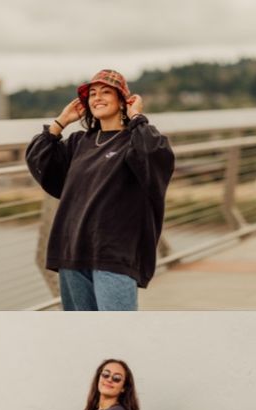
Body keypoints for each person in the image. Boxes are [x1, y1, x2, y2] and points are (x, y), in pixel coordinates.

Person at [26, 70, 174, 311]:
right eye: (92, 94)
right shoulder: (78, 142)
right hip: (72, 250)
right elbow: (40, 160)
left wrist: (137, 116)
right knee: (84, 335)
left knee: (116, 334)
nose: (97, 98)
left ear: (123, 101)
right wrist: (61, 121)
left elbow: (153, 154)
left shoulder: (136, 141)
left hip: (114, 254)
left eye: (106, 92)